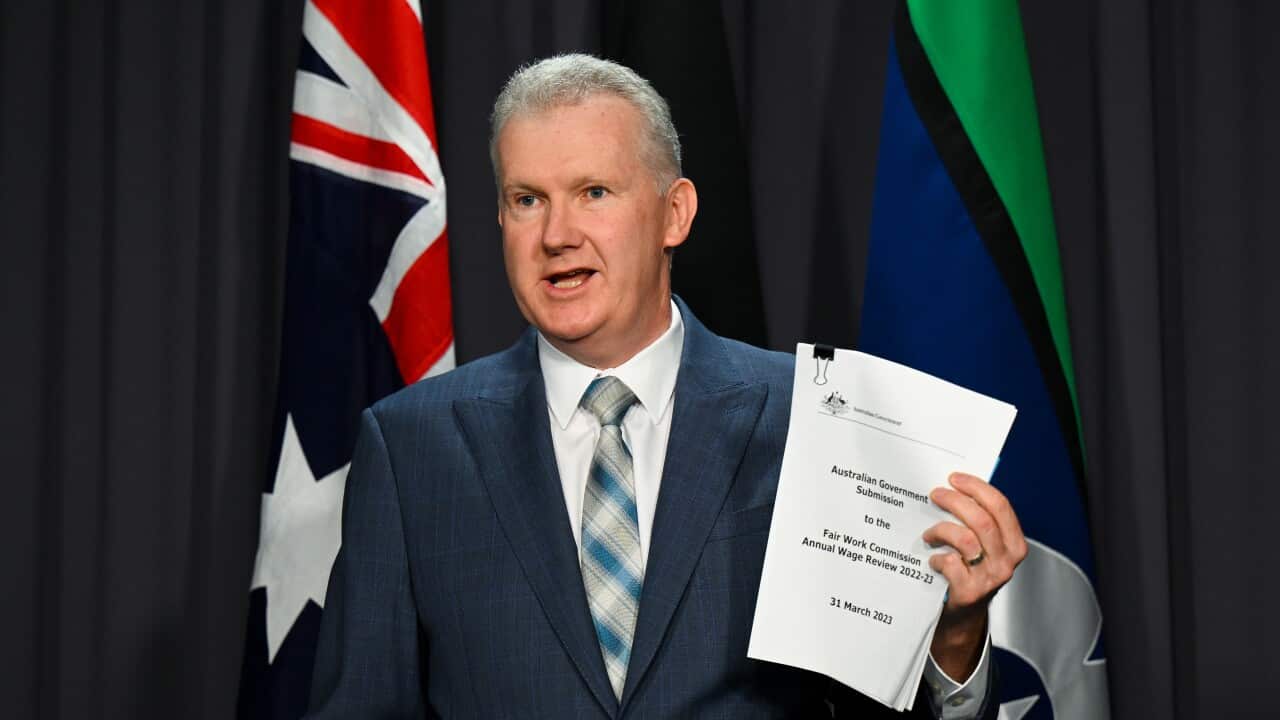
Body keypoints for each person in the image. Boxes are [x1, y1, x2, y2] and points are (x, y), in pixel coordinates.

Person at [306, 54, 1027, 719]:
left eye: (594, 192)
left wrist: (956, 639)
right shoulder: (409, 446)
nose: (557, 233)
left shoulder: (813, 418)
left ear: (674, 214)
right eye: (527, 199)